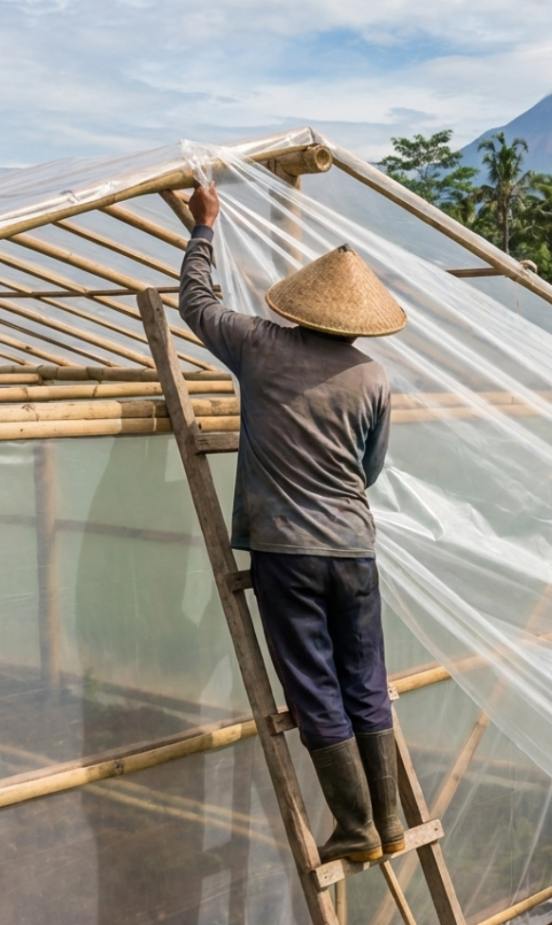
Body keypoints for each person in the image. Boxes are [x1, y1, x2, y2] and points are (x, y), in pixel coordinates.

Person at [179, 181, 408, 864]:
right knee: (364, 677)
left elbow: (196, 304)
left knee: (312, 682)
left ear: (298, 305)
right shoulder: (374, 378)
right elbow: (370, 469)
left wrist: (204, 227)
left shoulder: (258, 345)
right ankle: (390, 819)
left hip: (287, 550)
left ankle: (356, 826)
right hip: (353, 549)